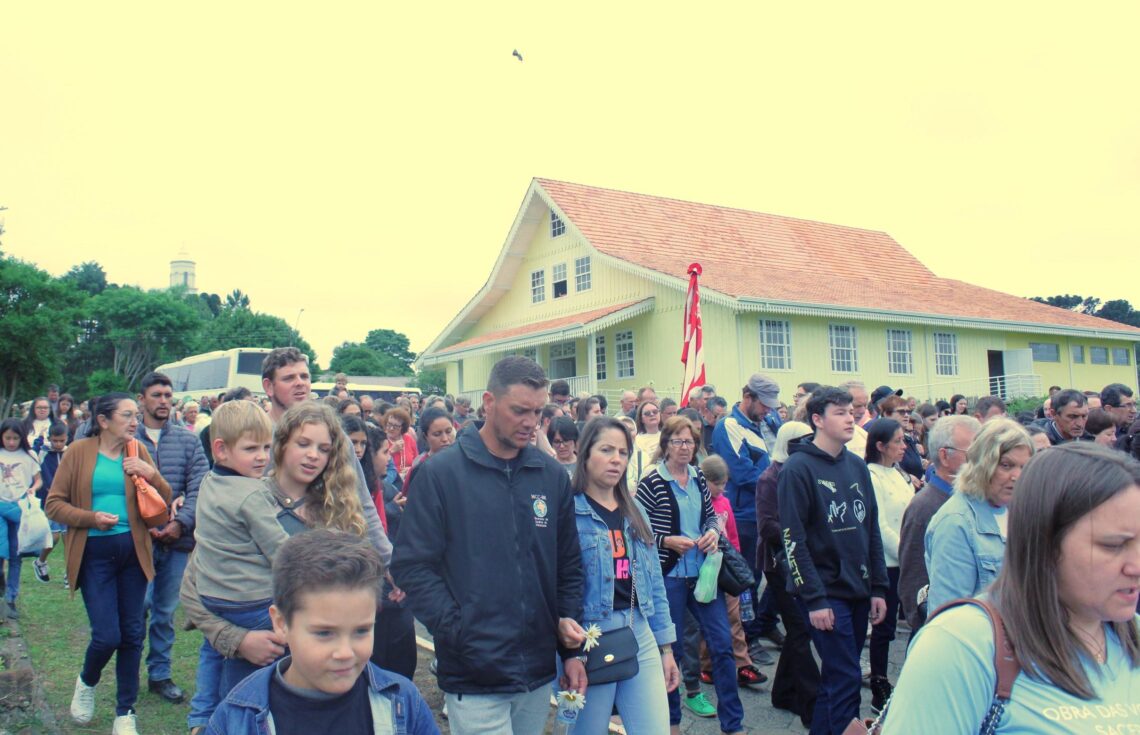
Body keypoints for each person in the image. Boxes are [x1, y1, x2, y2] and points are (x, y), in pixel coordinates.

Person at [882, 444, 1140, 733]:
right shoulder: (962, 644)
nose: (1135, 565)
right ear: (1045, 541)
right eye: (1113, 546)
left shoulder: (1132, 633)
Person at [390, 356, 587, 734]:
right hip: (473, 673)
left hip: (536, 670)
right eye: (519, 410)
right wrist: (460, 629)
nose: (530, 422)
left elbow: (568, 566)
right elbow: (412, 566)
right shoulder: (440, 474)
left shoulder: (550, 476)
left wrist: (570, 648)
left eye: (537, 411)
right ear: (488, 402)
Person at [207, 529, 438, 734]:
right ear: (281, 623)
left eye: (361, 630)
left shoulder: (404, 702)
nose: (345, 653)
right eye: (324, 633)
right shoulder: (236, 718)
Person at [46, 393, 172, 735]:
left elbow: (164, 502)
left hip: (134, 554)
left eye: (137, 415)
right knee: (106, 636)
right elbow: (53, 505)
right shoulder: (78, 452)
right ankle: (87, 682)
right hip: (94, 556)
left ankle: (125, 712)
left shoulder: (138, 451)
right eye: (128, 415)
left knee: (132, 634)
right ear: (103, 421)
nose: (135, 421)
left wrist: (151, 474)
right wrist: (89, 518)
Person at [777, 386, 888, 735]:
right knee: (846, 678)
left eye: (851, 410)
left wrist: (879, 587)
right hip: (825, 594)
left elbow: (870, 530)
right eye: (839, 412)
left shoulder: (856, 466)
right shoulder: (797, 469)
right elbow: (793, 540)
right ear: (817, 420)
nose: (850, 417)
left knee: (837, 679)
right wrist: (814, 598)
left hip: (859, 588)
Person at [567, 417, 679, 732]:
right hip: (589, 637)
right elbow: (560, 588)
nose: (616, 459)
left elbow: (655, 583)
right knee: (587, 729)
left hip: (638, 629)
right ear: (585, 453)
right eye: (606, 449)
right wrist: (567, 653)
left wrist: (666, 647)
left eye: (623, 451)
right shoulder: (569, 512)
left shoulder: (635, 510)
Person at [638, 416, 745, 735]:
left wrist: (713, 532)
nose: (684, 448)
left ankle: (733, 723)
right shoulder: (652, 482)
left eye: (689, 442)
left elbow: (711, 517)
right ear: (665, 444)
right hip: (668, 576)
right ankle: (671, 721)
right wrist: (666, 541)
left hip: (703, 575)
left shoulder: (699, 477)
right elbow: (638, 529)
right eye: (677, 441)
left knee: (722, 645)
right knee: (670, 650)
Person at [192, 400, 290, 693]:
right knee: (249, 675)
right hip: (249, 599)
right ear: (221, 449)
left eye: (265, 447)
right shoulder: (250, 494)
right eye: (251, 449)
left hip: (213, 595)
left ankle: (204, 716)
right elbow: (281, 551)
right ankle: (236, 710)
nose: (262, 457)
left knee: (212, 654)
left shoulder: (210, 481)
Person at [133, 371, 209, 704]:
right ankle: (128, 674)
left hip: (177, 540)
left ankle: (159, 674)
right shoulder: (127, 439)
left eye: (168, 395)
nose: (164, 401)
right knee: (139, 607)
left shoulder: (188, 440)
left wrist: (182, 522)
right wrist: (146, 523)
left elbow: (199, 485)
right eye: (157, 395)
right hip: (139, 539)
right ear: (142, 400)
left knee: (165, 611)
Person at [924, 418, 1033, 615]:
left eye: (1024, 467)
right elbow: (949, 615)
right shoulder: (956, 522)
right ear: (982, 464)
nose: (1016, 476)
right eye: (1006, 465)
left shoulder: (1019, 510)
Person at [756, 421, 818, 729]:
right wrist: (802, 533)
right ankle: (811, 704)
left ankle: (782, 692)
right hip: (779, 564)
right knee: (800, 628)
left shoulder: (805, 471)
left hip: (803, 560)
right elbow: (767, 526)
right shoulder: (771, 477)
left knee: (797, 629)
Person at [710, 374, 783, 633]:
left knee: (778, 574)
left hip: (771, 510)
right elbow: (740, 473)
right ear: (747, 397)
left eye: (771, 405)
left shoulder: (772, 420)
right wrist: (782, 485)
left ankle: (763, 623)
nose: (768, 410)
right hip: (745, 514)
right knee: (747, 578)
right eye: (764, 404)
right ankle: (748, 636)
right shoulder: (727, 425)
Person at [897, 415, 981, 632]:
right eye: (975, 453)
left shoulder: (978, 501)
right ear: (945, 456)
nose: (984, 460)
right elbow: (913, 584)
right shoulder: (924, 508)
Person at [697, 455, 767, 688]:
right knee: (709, 620)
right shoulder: (698, 502)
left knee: (734, 617)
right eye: (717, 484)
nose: (722, 488)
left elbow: (733, 534)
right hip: (705, 570)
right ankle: (706, 665)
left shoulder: (725, 503)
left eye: (725, 483)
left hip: (726, 568)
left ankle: (742, 664)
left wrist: (737, 560)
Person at [863, 418, 914, 713]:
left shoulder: (899, 473)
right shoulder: (872, 475)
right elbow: (880, 525)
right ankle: (879, 682)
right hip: (888, 562)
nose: (903, 446)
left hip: (906, 558)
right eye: (897, 441)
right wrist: (906, 552)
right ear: (880, 446)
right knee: (883, 626)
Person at [0, 418, 43, 615]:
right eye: (7, 438)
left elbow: (38, 480)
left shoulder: (29, 455)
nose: (11, 442)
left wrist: (33, 489)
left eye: (15, 438)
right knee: (1, 551)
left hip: (20, 508)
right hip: (1, 505)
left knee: (16, 555)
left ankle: (11, 597)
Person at [34, 421, 69, 585]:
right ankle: (40, 561)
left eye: (61, 441)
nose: (58, 444)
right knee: (53, 538)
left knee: (68, 537)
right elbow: (42, 471)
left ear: (66, 438)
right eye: (55, 441)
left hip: (69, 500)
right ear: (50, 439)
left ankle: (70, 571)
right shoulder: (43, 453)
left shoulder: (69, 453)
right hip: (52, 500)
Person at [1100, 383, 1136, 453]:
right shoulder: (1096, 434)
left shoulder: (1136, 430)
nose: (1134, 410)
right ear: (1109, 409)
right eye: (1128, 405)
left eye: (1134, 404)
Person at [22, 396, 55, 460]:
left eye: (45, 408)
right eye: (39, 407)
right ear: (33, 409)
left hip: (49, 458)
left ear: (50, 409)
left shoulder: (56, 424)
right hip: (28, 457)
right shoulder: (24, 424)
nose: (42, 410)